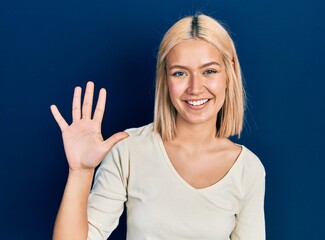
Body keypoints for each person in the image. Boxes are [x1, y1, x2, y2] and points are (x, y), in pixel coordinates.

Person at [51, 13, 266, 240]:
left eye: (209, 71)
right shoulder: (128, 150)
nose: (195, 88)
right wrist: (81, 172)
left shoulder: (248, 170)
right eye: (180, 73)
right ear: (166, 79)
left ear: (229, 74)